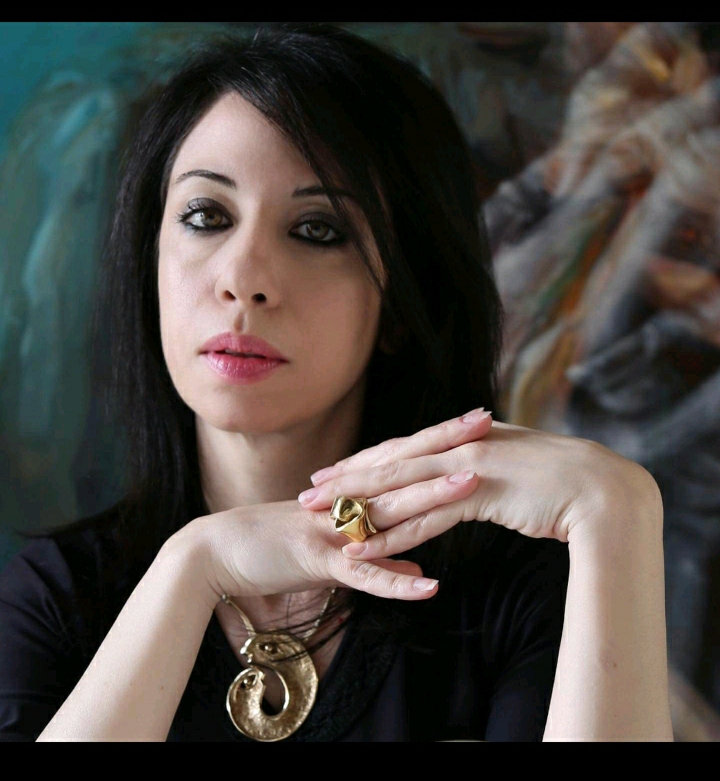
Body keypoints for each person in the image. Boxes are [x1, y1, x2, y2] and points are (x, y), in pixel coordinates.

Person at [0, 23, 672, 742]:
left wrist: (618, 511)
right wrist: (196, 566)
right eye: (206, 216)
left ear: (401, 304)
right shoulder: (53, 598)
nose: (242, 279)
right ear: (151, 263)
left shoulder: (516, 594)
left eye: (317, 229)